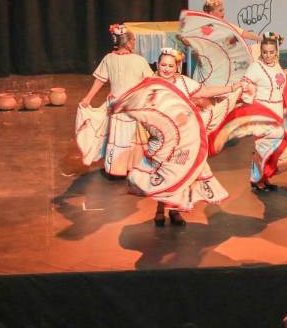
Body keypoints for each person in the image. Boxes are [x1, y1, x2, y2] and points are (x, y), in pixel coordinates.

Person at [146, 48, 243, 226]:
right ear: (157, 65)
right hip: (163, 139)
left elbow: (205, 91)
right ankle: (159, 210)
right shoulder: (151, 85)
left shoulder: (183, 82)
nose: (166, 69)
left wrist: (232, 88)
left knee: (181, 176)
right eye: (163, 65)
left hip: (183, 139)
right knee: (165, 176)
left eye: (170, 65)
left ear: (177, 67)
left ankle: (175, 211)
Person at [79, 24, 153, 176]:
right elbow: (150, 82)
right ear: (129, 42)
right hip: (130, 106)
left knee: (119, 137)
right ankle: (127, 166)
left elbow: (99, 81)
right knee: (129, 137)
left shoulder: (109, 58)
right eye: (133, 41)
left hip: (116, 105)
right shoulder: (139, 61)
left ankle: (117, 167)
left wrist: (88, 98)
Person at [240, 32, 287, 192]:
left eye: (271, 52)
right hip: (263, 113)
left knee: (270, 150)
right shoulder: (256, 67)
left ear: (276, 52)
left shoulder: (276, 65)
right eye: (264, 52)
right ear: (260, 51)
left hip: (277, 112)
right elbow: (244, 85)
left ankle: (260, 178)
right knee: (269, 150)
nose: (268, 55)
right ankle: (259, 178)